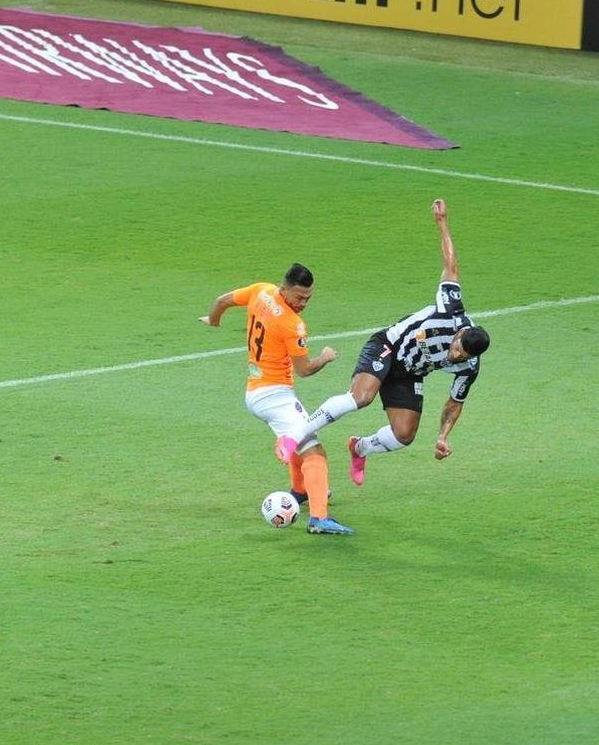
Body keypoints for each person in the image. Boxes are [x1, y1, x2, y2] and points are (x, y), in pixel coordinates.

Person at [277, 199, 490, 486]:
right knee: (361, 398)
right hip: (388, 347)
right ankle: (295, 436)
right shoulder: (451, 310)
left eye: (459, 357)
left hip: (410, 372)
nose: (454, 356)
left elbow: (454, 402)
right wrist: (442, 222)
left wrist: (442, 437)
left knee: (404, 435)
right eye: (455, 347)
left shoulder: (469, 367)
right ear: (460, 334)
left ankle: (359, 448)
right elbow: (451, 266)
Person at [200, 263, 355, 535]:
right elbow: (305, 369)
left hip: (256, 391)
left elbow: (222, 301)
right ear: (284, 289)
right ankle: (319, 519)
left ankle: (300, 491)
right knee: (315, 452)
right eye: (299, 297)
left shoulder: (261, 291)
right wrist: (325, 357)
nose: (303, 302)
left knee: (300, 435)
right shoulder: (292, 324)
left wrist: (214, 320)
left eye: (308, 297)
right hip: (275, 396)